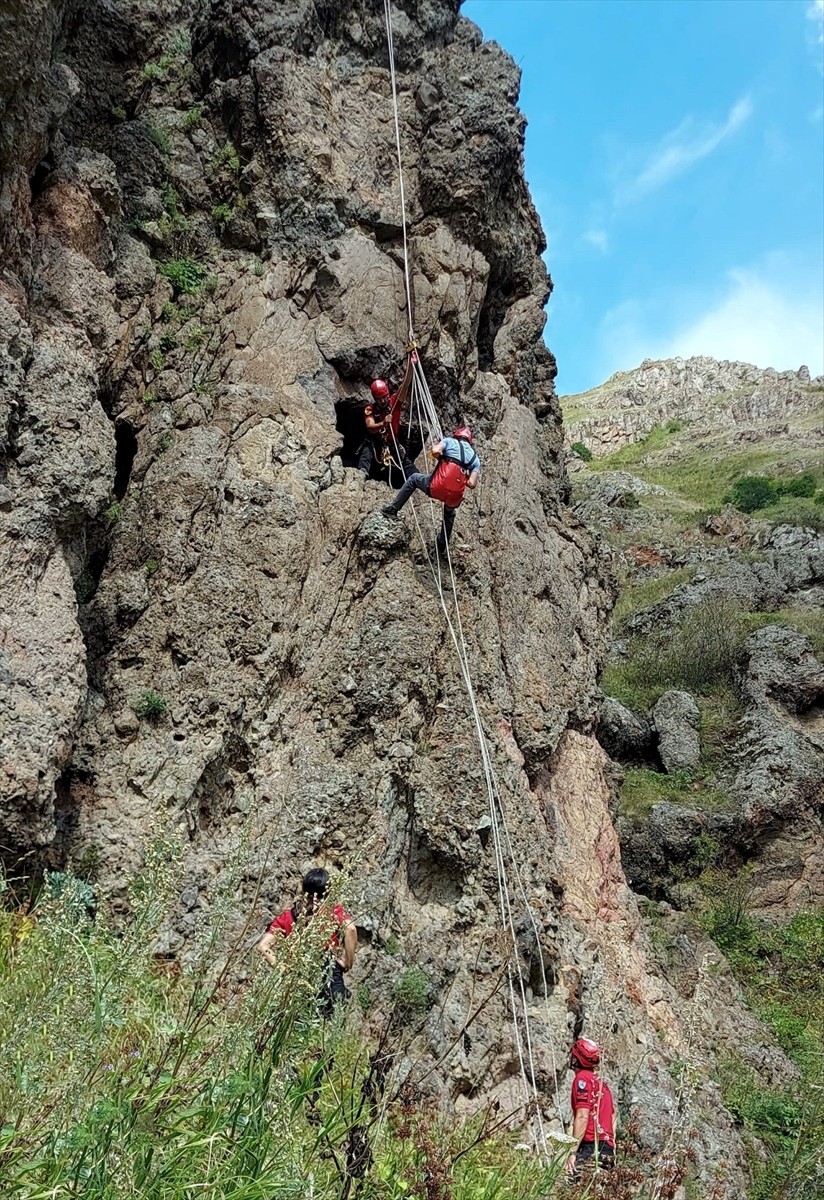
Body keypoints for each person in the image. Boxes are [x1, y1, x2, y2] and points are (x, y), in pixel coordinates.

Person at [257, 868, 357, 1014]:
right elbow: (351, 929)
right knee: (328, 1025)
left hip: (298, 975)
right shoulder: (333, 910)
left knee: (296, 1021)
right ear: (328, 890)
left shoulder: (288, 916)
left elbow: (263, 946)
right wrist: (348, 961)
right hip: (328, 972)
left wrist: (284, 969)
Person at [381, 426, 480, 554]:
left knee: (414, 479)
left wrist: (442, 455)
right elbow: (472, 484)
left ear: (457, 435)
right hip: (454, 496)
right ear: (469, 441)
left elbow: (435, 451)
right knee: (449, 513)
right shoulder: (475, 459)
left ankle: (392, 509)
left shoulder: (449, 441)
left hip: (437, 486)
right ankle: (442, 545)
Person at [565, 1037, 616, 1181]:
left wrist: (573, 1152)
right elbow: (613, 1116)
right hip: (607, 1149)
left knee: (575, 1191)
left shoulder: (582, 1080)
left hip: (590, 1148)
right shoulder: (602, 1085)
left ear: (576, 1059)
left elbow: (582, 1116)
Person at [358, 371, 415, 481]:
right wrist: (383, 423)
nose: (383, 401)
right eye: (379, 398)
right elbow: (370, 427)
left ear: (388, 394)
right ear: (375, 398)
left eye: (384, 397)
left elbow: (406, 384)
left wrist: (411, 365)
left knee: (404, 461)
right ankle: (360, 475)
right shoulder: (370, 409)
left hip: (392, 441)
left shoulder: (395, 402)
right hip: (376, 442)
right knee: (367, 453)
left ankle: (417, 479)